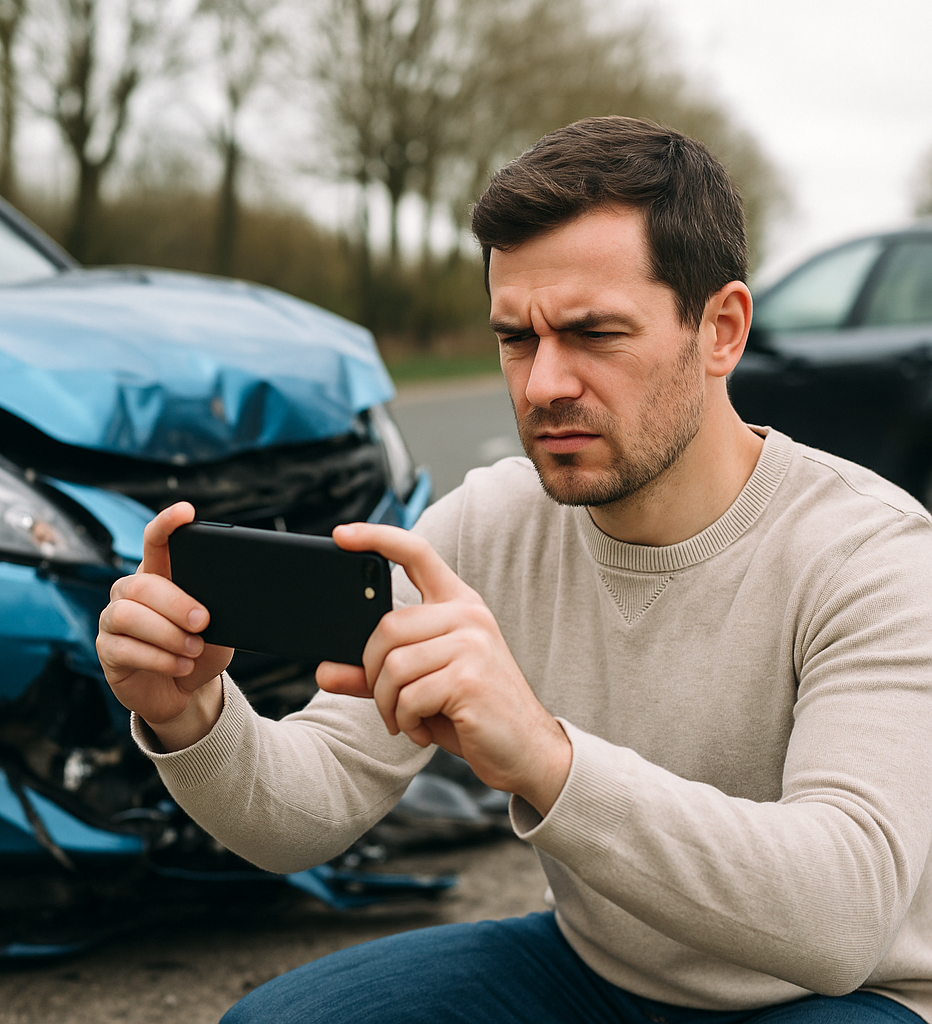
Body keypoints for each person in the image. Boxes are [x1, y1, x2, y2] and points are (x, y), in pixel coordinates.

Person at [96, 116, 932, 1024]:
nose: (542, 386)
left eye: (593, 333)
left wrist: (545, 756)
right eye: (516, 338)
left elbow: (844, 916)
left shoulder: (872, 553)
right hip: (591, 972)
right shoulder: (486, 525)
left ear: (721, 329)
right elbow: (309, 807)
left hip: (845, 995)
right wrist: (190, 718)